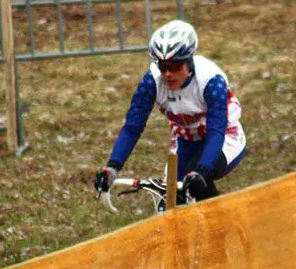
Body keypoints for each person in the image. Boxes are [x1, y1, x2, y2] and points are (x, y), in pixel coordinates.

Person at [94, 19, 246, 203]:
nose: (167, 74)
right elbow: (132, 128)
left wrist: (202, 171)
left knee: (196, 181)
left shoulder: (210, 82)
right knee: (173, 199)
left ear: (189, 62)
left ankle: (224, 225)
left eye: (174, 66)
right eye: (163, 66)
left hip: (224, 137)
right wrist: (112, 167)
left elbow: (216, 131)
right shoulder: (152, 81)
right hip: (186, 140)